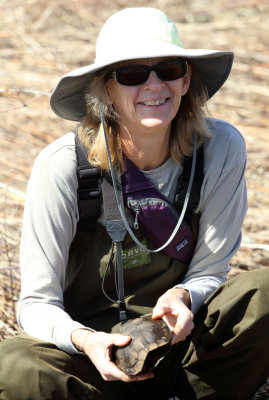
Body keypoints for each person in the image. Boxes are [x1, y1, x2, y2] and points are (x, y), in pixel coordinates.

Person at [0, 7, 268, 400]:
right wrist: (86, 341)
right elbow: (37, 304)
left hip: (181, 350)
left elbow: (210, 271)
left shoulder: (219, 149)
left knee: (263, 292)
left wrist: (184, 297)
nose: (154, 84)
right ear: (106, 88)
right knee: (15, 366)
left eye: (169, 69)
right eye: (132, 74)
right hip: (91, 363)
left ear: (186, 78)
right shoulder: (63, 167)